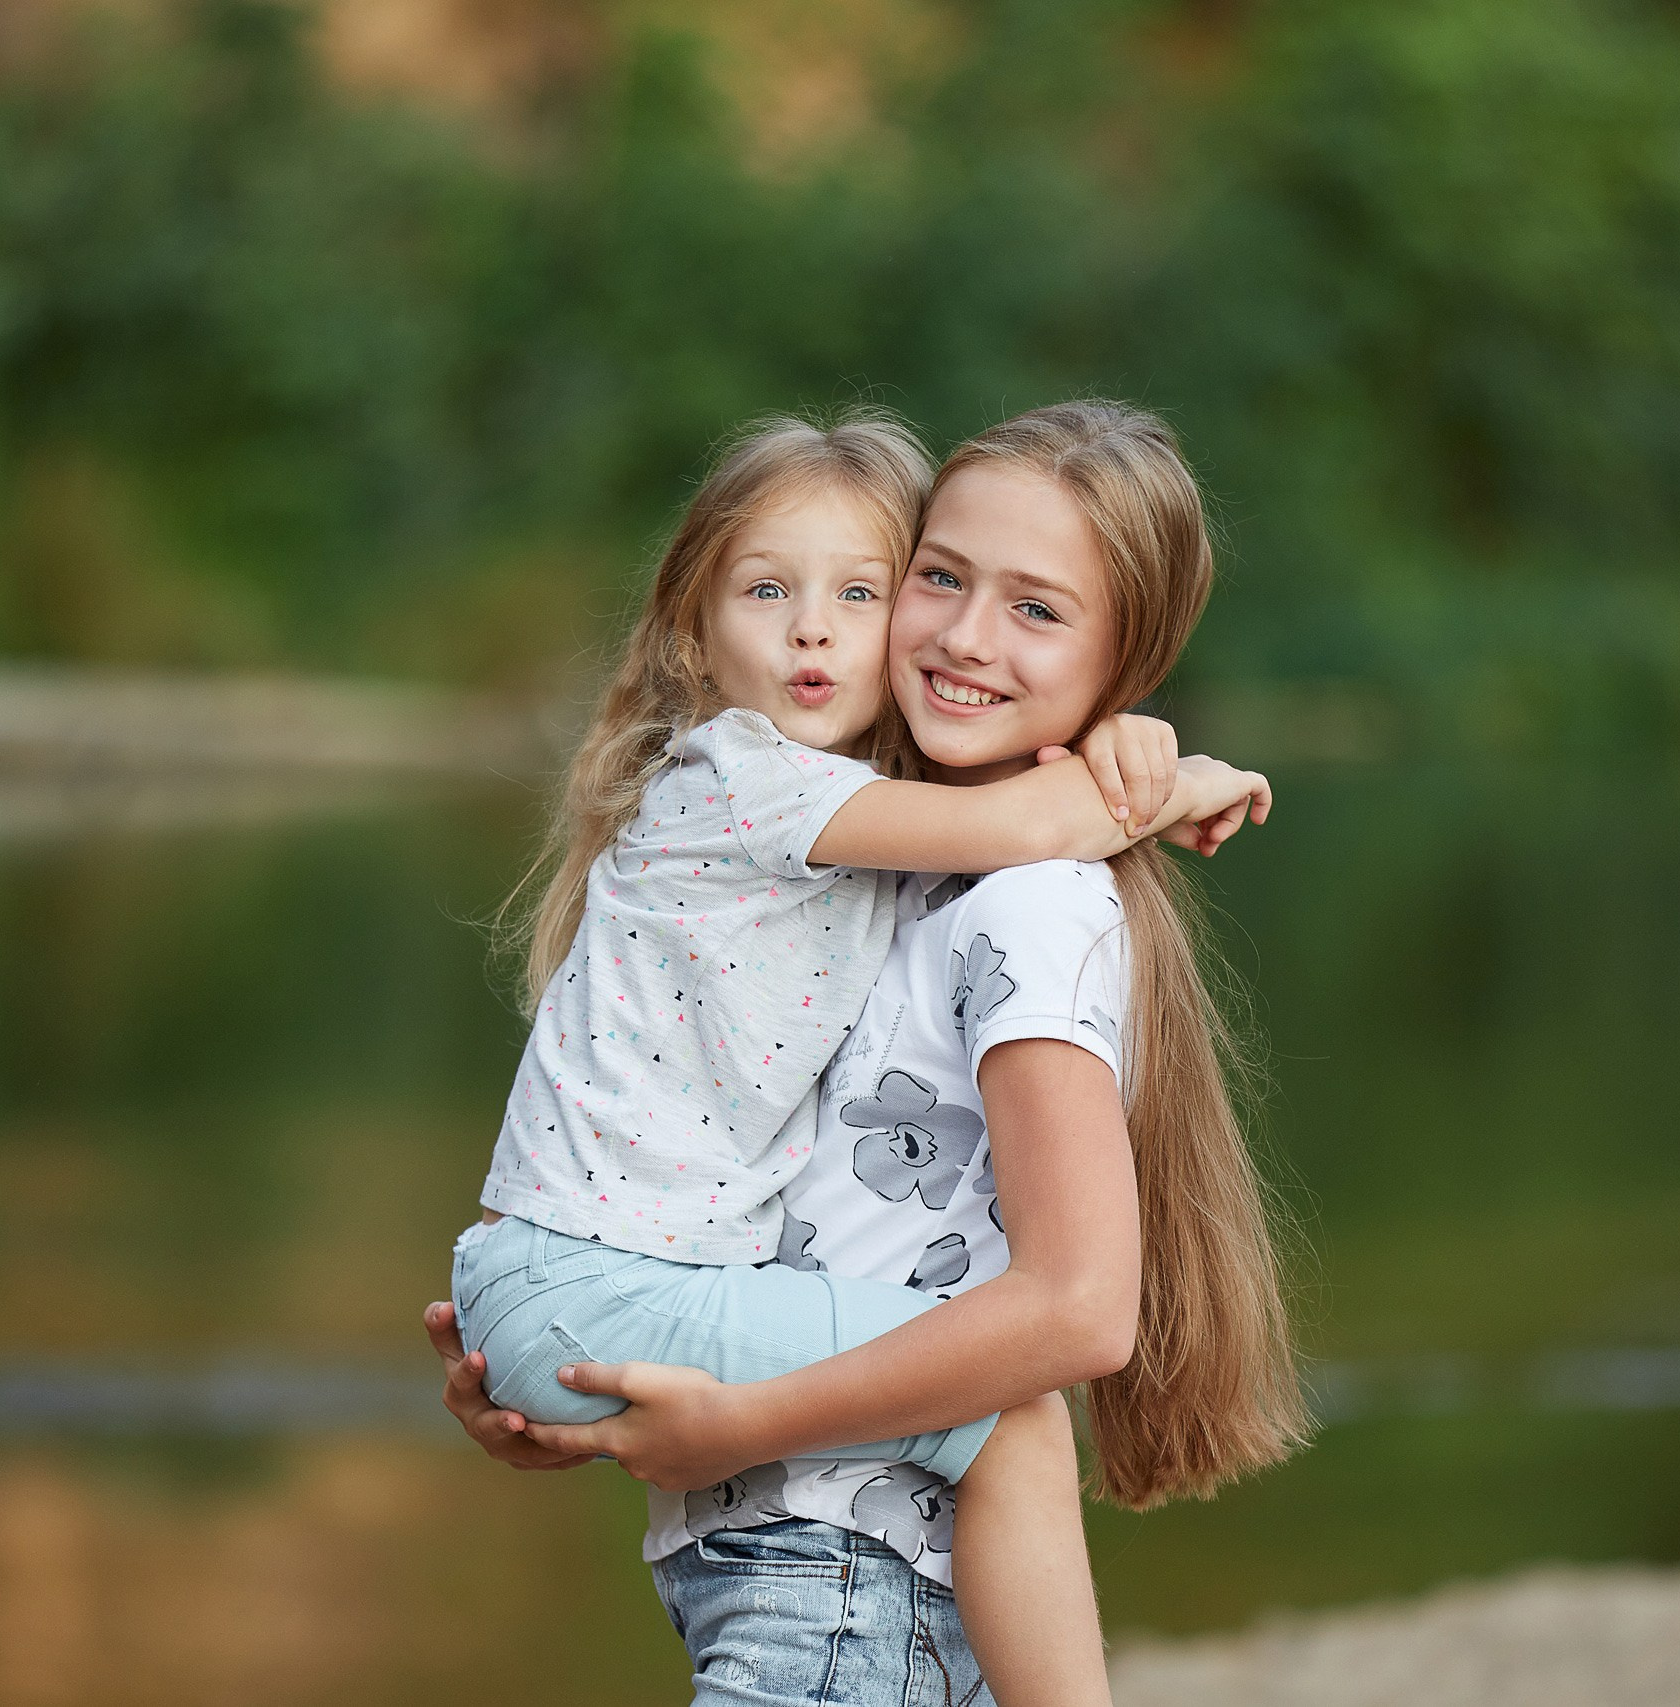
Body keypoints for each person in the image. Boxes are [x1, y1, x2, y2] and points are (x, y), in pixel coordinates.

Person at [438, 405, 1289, 1704]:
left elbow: (1079, 1308)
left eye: (1038, 610)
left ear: (1127, 654)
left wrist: (725, 1421)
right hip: (783, 1537)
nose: (960, 634)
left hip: (839, 1556)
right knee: (1010, 1437)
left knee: (1015, 1428)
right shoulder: (842, 843)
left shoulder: (1014, 894)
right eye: (941, 579)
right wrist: (1157, 772)